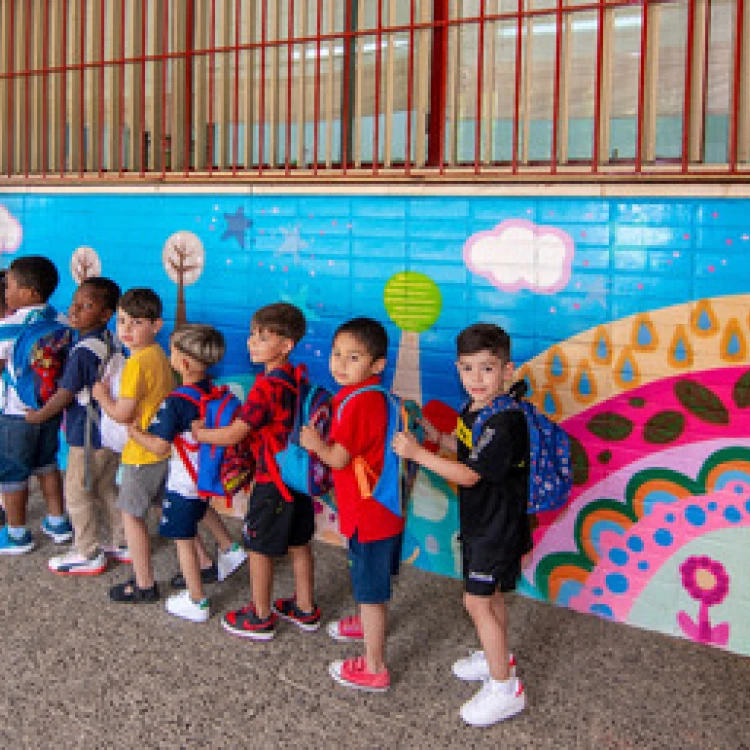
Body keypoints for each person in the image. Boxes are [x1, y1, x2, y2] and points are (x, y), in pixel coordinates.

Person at [392, 323, 531, 727]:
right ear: (458, 368)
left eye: (487, 369)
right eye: (468, 369)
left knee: (476, 601)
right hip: (481, 521)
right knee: (490, 598)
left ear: (508, 370)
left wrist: (418, 453)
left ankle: (505, 689)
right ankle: (497, 658)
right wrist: (437, 437)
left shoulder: (505, 422)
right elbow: (467, 448)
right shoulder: (476, 409)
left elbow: (470, 474)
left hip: (496, 526)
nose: (476, 379)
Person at [193, 302, 319, 640]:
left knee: (259, 547)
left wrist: (202, 433)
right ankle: (305, 608)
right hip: (297, 479)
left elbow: (238, 432)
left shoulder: (266, 386)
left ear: (286, 345)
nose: (252, 342)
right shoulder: (296, 376)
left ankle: (260, 615)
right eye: (252, 335)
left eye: (263, 338)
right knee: (299, 543)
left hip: (271, 480)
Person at [299, 317, 403, 693]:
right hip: (377, 508)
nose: (341, 364)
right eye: (337, 354)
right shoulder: (369, 394)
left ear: (377, 365)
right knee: (369, 579)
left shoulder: (359, 404)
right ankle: (365, 620)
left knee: (370, 590)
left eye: (353, 357)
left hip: (368, 514)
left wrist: (315, 444)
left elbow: (339, 459)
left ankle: (374, 666)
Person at [128, 324, 247, 622]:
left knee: (183, 539)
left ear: (183, 362)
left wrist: (134, 432)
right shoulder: (213, 388)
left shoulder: (177, 402)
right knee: (198, 516)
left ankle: (197, 599)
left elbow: (158, 446)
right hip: (205, 477)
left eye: (172, 352)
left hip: (184, 483)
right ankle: (227, 550)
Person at [26, 277, 127, 574]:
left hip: (87, 435)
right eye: (74, 303)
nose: (75, 310)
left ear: (106, 314)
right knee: (106, 487)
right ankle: (123, 541)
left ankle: (87, 551)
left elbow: (65, 394)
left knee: (78, 493)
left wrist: (40, 415)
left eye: (87, 305)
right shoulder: (111, 340)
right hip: (109, 432)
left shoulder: (83, 351)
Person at [92, 288, 174, 603]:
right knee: (168, 510)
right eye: (122, 320)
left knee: (132, 517)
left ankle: (144, 583)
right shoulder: (157, 354)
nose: (125, 329)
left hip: (141, 453)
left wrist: (102, 397)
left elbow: (122, 413)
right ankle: (206, 564)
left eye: (136, 322)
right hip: (161, 447)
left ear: (156, 325)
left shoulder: (136, 364)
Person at [0, 256, 73, 554]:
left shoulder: (9, 326)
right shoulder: (62, 320)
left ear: (29, 292)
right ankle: (58, 521)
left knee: (12, 473)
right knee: (47, 463)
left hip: (16, 413)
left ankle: (17, 534)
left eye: (10, 286)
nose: (6, 292)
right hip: (51, 408)